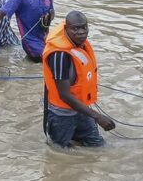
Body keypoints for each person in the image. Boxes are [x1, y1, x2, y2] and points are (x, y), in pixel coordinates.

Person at [42, 11, 115, 148]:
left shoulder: (80, 44)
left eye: (84, 27)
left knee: (98, 147)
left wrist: (92, 114)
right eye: (75, 28)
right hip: (61, 115)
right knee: (59, 152)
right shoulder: (60, 55)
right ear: (66, 29)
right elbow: (64, 95)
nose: (81, 32)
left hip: (82, 110)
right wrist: (97, 117)